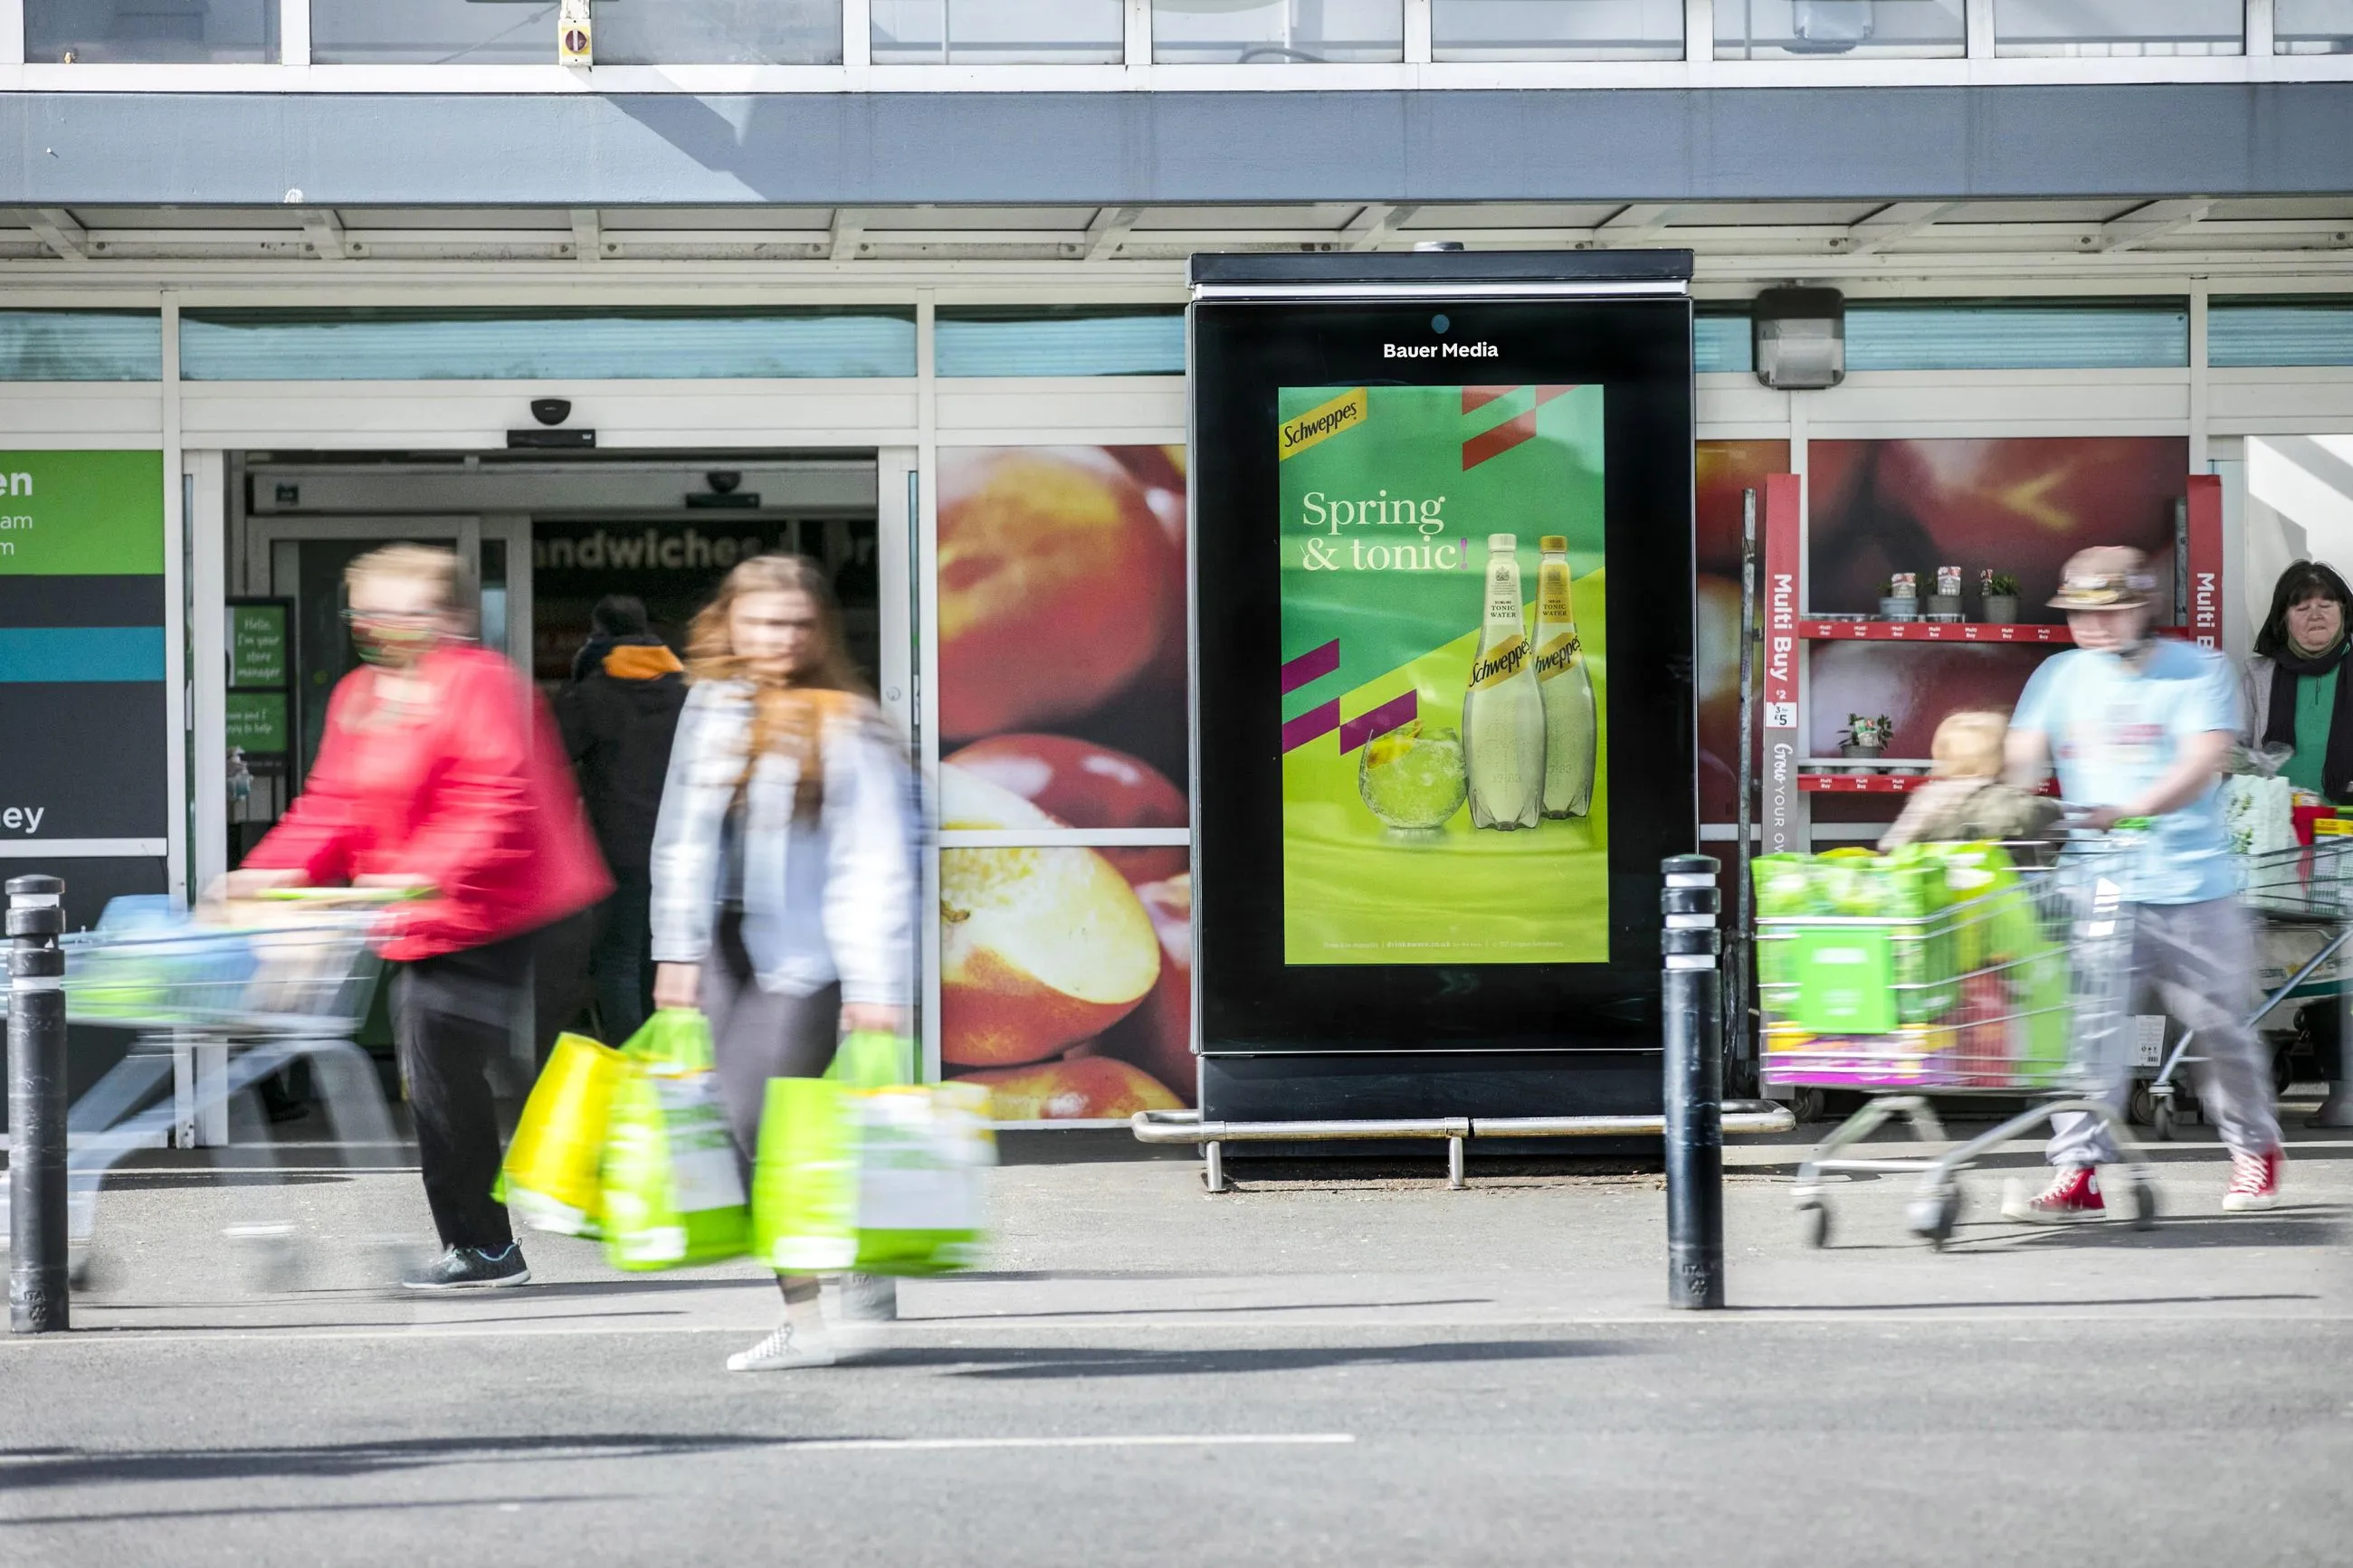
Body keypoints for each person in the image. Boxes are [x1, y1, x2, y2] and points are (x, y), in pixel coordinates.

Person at [230, 545, 612, 1289]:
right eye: (370, 611)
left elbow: (495, 799)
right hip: (429, 915)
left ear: (452, 615)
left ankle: (494, 1242)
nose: (384, 625)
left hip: (517, 908)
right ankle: (485, 1243)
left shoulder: (483, 685)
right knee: (441, 1069)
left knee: (452, 1061)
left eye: (408, 609)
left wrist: (410, 873)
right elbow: (332, 805)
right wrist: (266, 872)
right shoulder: (360, 696)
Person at [648, 554, 915, 1372]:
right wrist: (676, 949)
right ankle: (830, 1285)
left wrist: (875, 983)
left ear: (820, 631)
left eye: (797, 624)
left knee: (763, 1126)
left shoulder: (843, 719)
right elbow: (681, 837)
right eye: (763, 621)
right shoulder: (710, 705)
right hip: (723, 953)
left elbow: (877, 858)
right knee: (737, 1132)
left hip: (807, 959)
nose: (780, 639)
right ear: (729, 623)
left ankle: (821, 1308)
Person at [2001, 546, 2284, 1221]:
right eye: (2078, 614)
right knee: (2085, 1032)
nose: (2092, 627)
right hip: (2095, 886)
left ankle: (2255, 1147)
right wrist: (2010, 799)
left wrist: (2130, 809)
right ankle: (2078, 1171)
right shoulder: (2057, 674)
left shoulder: (2199, 669)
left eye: (2108, 612)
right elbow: (2022, 752)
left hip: (2193, 883)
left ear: (2143, 607)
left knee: (2220, 1029)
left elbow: (2203, 761)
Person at [2240, 560, 2353, 1127]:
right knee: (2265, 952)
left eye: (2327, 602)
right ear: (2283, 617)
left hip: (2348, 836)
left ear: (2344, 612)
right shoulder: (2259, 673)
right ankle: (2248, 1081)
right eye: (2301, 604)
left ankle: (2343, 1088)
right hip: (2276, 839)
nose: (2315, 613)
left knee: (2342, 958)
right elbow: (2237, 750)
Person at [556, 594, 689, 1044]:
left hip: (618, 845)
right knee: (665, 957)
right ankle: (662, 1063)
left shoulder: (596, 694)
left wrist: (573, 687)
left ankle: (629, 1066)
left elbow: (554, 748)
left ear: (601, 635)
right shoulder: (684, 694)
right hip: (680, 846)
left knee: (616, 960)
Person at [1877, 708, 2060, 853]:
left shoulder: (1927, 796)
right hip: (1995, 890)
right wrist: (2061, 810)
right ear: (2000, 756)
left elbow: (1891, 844)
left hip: (1943, 890)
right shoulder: (2000, 798)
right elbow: (2028, 814)